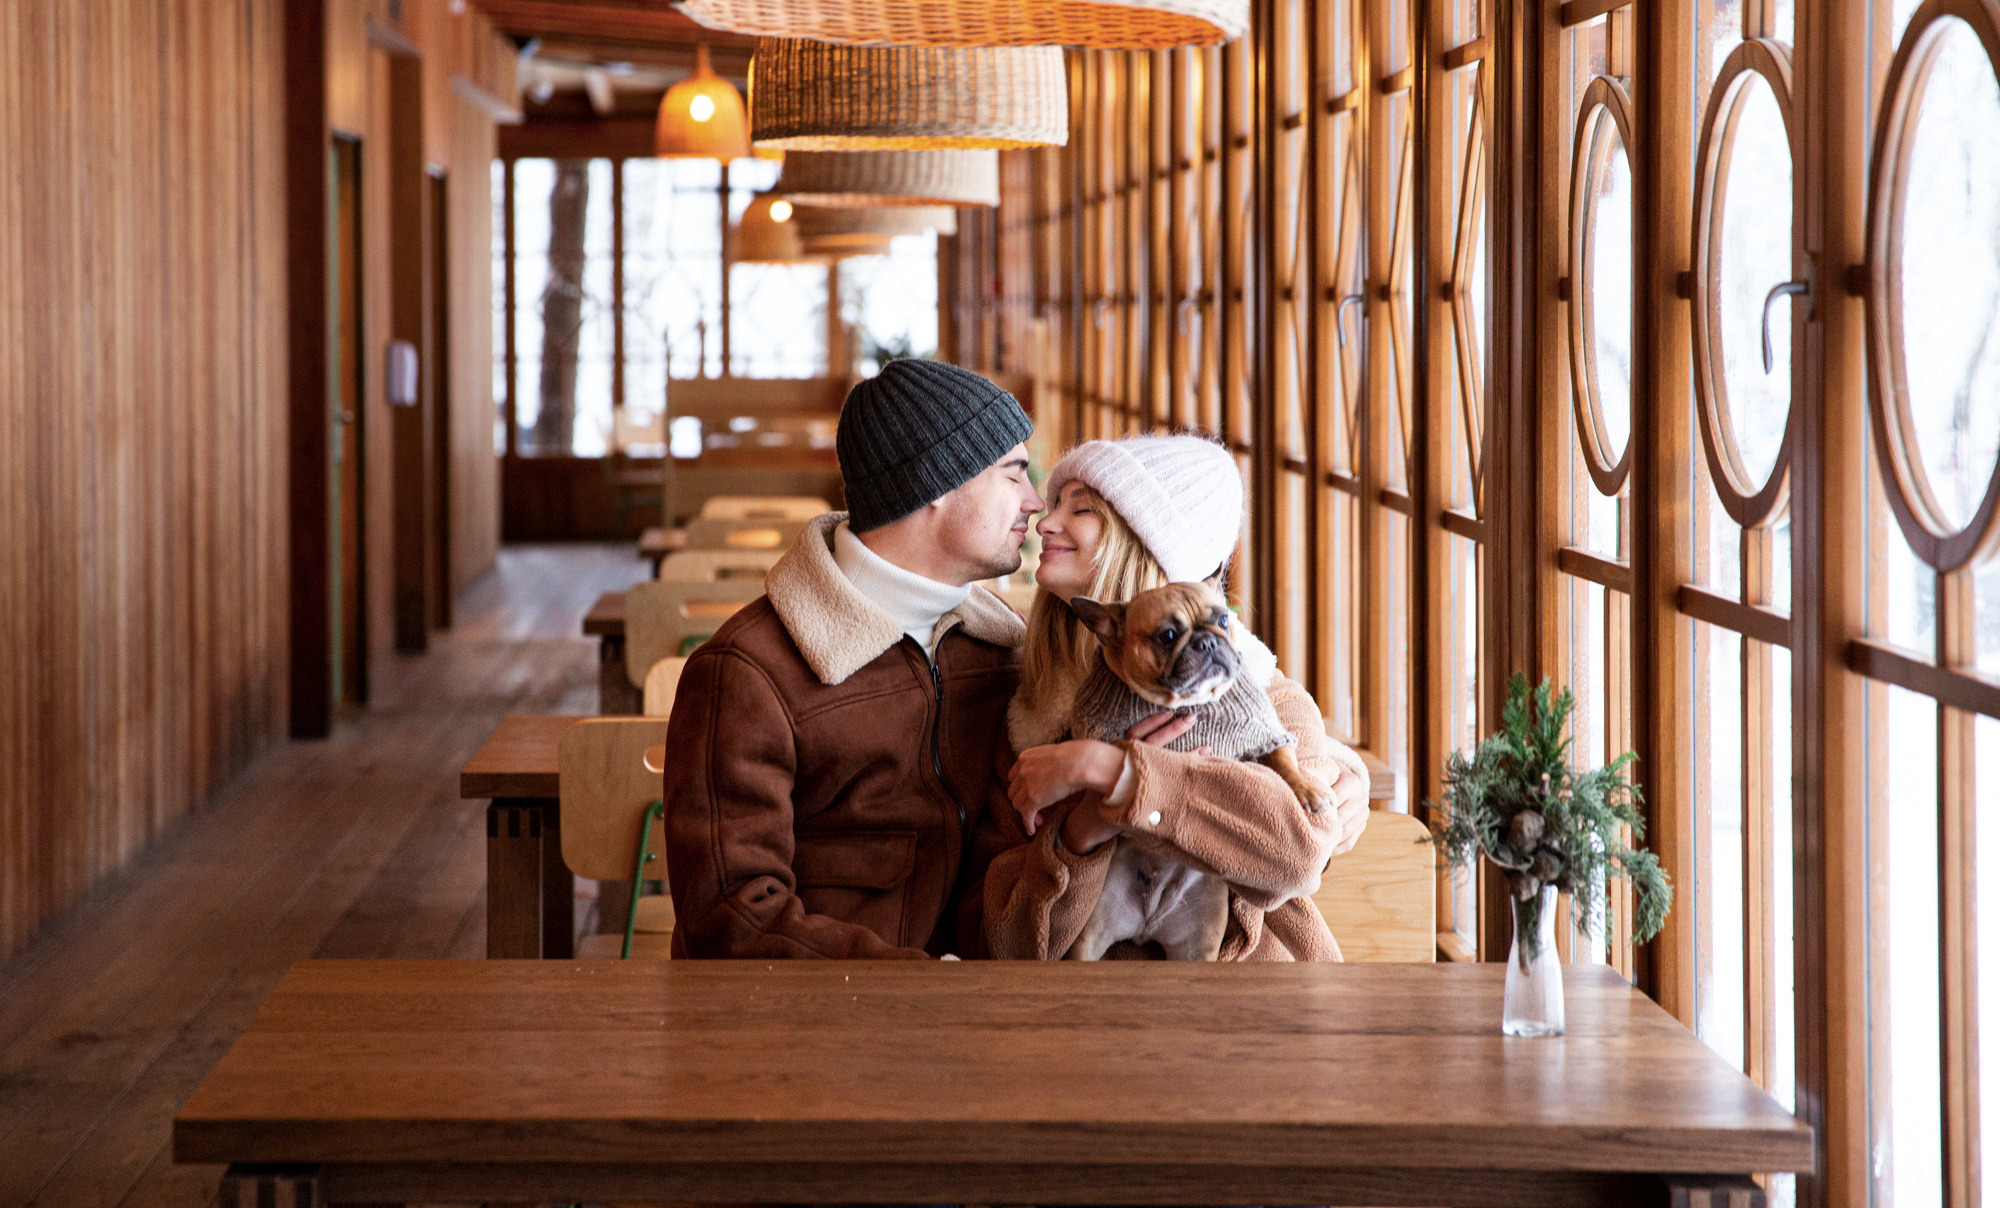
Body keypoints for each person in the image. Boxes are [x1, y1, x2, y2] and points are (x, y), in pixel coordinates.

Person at [661, 358, 1042, 959]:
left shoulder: (1005, 654)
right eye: (1014, 474)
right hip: (805, 1032)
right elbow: (733, 916)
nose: (1036, 500)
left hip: (984, 1021)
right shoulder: (746, 670)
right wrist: (924, 989)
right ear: (939, 483)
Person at [982, 435, 1373, 961]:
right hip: (1083, 1025)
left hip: (1255, 1014)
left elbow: (1296, 857)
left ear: (1148, 545)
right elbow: (1011, 946)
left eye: (1082, 510)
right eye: (1052, 505)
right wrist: (1086, 826)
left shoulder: (1266, 702)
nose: (1045, 523)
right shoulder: (1025, 705)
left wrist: (1115, 772)